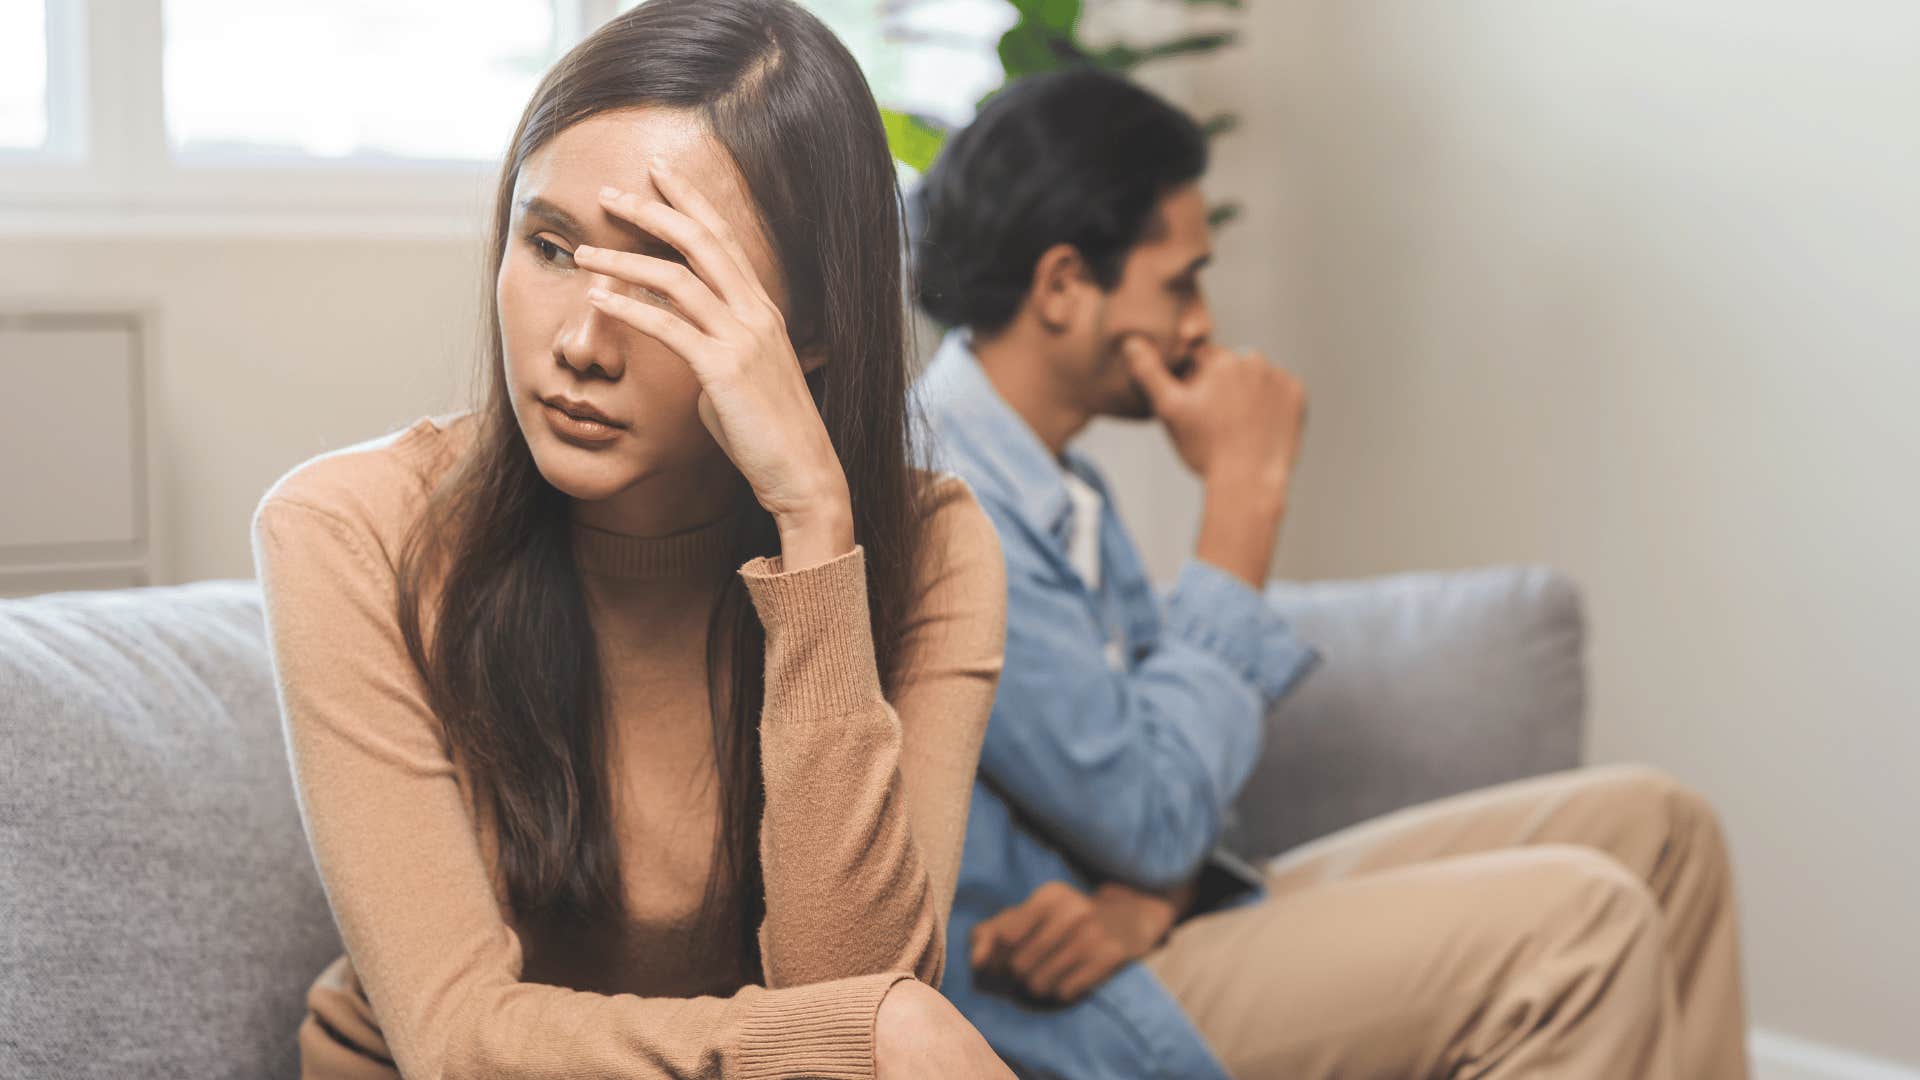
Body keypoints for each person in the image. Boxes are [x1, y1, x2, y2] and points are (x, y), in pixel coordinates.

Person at [912, 67, 1750, 1079]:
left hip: (1148, 930)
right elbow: (1155, 818)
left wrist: (1155, 896)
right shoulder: (951, 500)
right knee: (1584, 924)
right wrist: (1244, 500)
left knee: (1660, 828)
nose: (1202, 326)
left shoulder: (1060, 482)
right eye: (1179, 281)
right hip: (1072, 1013)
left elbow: (1180, 812)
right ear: (1061, 287)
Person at [250, 2, 1017, 1076]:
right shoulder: (347, 533)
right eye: (550, 244)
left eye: (666, 279)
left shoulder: (934, 551)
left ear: (811, 331)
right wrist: (866, 1031)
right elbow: (454, 1036)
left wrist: (812, 530)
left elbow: (846, 1002)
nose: (579, 344)